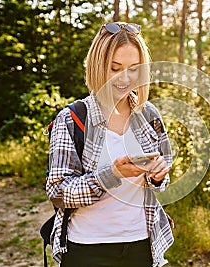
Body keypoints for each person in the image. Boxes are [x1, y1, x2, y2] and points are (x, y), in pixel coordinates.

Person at [46, 22, 174, 267]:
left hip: (142, 243)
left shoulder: (149, 115)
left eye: (134, 69)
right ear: (98, 66)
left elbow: (160, 181)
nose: (125, 79)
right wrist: (111, 174)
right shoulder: (72, 118)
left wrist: (157, 175)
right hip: (87, 248)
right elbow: (58, 192)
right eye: (115, 68)